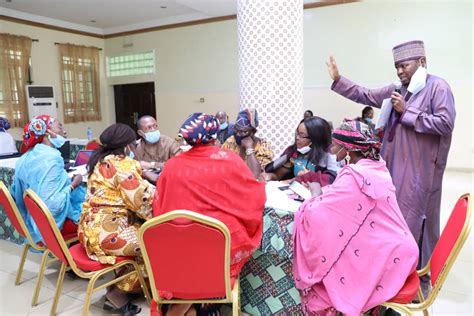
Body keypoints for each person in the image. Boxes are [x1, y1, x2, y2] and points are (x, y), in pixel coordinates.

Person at [326, 40, 455, 296]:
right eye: (396, 67)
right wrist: (339, 79)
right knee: (391, 220)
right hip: (391, 166)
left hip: (420, 171)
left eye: (404, 65)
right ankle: (391, 273)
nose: (399, 72)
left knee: (415, 222)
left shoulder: (438, 87)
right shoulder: (397, 89)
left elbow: (445, 123)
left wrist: (407, 112)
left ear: (422, 62)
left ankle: (420, 276)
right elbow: (365, 95)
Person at [292, 119, 419, 315]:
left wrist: (313, 198)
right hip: (402, 249)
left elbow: (317, 213)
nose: (331, 147)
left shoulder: (356, 175)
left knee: (333, 256)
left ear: (347, 148)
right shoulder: (376, 166)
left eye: (335, 144)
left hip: (388, 256)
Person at [153, 113, 265, 316]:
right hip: (220, 244)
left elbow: (159, 205)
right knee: (227, 234)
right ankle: (201, 303)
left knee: (188, 255)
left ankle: (186, 304)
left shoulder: (172, 165)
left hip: (179, 244)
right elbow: (253, 195)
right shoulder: (229, 160)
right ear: (215, 136)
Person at [79, 123, 155, 315]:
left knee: (139, 230)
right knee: (154, 242)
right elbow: (141, 201)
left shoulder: (99, 160)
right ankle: (118, 293)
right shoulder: (123, 164)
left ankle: (123, 287)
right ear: (129, 145)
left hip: (89, 230)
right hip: (108, 235)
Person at [11, 115, 85, 244]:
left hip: (32, 221)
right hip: (49, 227)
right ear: (47, 133)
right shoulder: (52, 159)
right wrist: (73, 184)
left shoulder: (25, 158)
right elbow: (53, 206)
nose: (64, 132)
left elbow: (17, 192)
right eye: (59, 126)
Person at [260, 116, 338, 185]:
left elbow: (332, 180)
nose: (297, 138)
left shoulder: (330, 155)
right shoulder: (294, 153)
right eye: (297, 133)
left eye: (302, 135)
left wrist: (306, 177)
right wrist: (270, 176)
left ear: (315, 139)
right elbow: (279, 175)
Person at [222, 108, 274, 178]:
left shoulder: (263, 147)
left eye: (243, 131)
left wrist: (249, 148)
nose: (238, 134)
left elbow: (255, 175)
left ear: (253, 132)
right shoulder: (230, 141)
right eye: (236, 129)